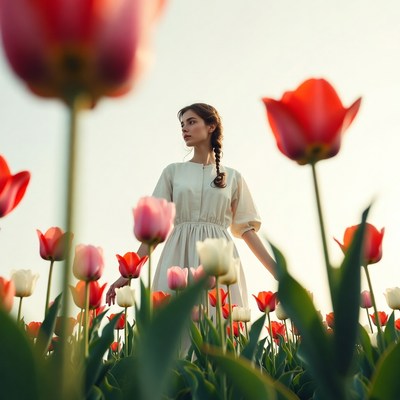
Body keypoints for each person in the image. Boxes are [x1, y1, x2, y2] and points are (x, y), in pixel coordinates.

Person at [106, 103, 276, 307]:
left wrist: (280, 275)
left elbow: (247, 230)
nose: (184, 129)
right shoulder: (172, 172)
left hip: (219, 258)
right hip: (177, 256)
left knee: (219, 324)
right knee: (176, 325)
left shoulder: (233, 177)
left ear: (211, 126)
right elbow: (153, 232)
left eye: (191, 122)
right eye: (182, 125)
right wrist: (128, 273)